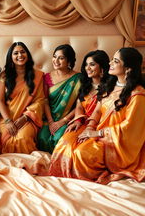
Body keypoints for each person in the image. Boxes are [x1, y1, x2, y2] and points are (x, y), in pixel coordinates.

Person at [50, 47, 145, 185]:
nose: (110, 63)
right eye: (112, 59)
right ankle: (62, 178)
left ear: (128, 69)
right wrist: (89, 128)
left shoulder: (137, 94)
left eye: (116, 61)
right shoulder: (110, 86)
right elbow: (97, 111)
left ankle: (77, 182)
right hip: (96, 130)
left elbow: (130, 128)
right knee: (65, 141)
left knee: (82, 154)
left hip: (117, 142)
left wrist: (96, 133)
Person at [49, 50, 110, 176]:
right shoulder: (85, 84)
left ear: (102, 67)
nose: (88, 68)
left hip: (100, 124)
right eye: (86, 64)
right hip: (82, 121)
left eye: (92, 65)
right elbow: (79, 107)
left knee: (81, 149)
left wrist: (90, 128)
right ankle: (61, 173)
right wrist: (77, 121)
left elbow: (102, 111)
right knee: (65, 141)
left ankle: (80, 174)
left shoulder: (110, 87)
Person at [0, 42, 45, 153]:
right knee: (9, 139)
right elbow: (0, 100)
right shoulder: (4, 76)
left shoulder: (37, 76)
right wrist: (8, 121)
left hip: (28, 117)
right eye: (16, 53)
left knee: (23, 138)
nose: (20, 55)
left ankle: (27, 166)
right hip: (7, 116)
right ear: (11, 57)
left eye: (23, 52)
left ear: (27, 54)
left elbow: (40, 101)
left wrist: (25, 117)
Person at [37, 44, 81, 153]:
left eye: (61, 58)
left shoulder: (79, 79)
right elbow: (45, 101)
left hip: (68, 118)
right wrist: (51, 122)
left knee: (59, 138)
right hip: (49, 118)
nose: (56, 60)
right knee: (42, 137)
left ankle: (58, 162)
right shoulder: (47, 77)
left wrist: (62, 121)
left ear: (69, 61)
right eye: (54, 56)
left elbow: (81, 105)